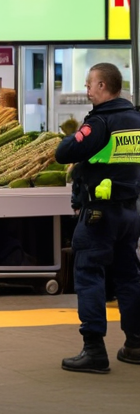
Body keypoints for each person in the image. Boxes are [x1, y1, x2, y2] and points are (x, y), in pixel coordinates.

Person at [54, 62, 140, 374]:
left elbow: (64, 153)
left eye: (90, 85)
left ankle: (94, 350)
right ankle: (135, 344)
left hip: (99, 214)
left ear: (103, 86)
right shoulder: (135, 120)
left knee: (89, 274)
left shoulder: (100, 122)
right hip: (130, 212)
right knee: (128, 276)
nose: (87, 90)